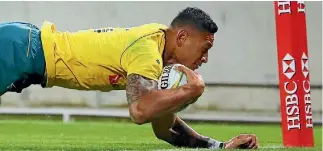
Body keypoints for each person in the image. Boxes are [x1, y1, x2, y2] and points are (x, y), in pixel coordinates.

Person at [0, 7, 258, 149]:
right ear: (182, 38)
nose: (205, 59)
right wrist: (192, 89)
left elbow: (163, 128)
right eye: (205, 49)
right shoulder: (147, 52)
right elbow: (140, 111)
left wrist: (219, 147)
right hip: (21, 49)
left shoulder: (156, 53)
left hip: (27, 51)